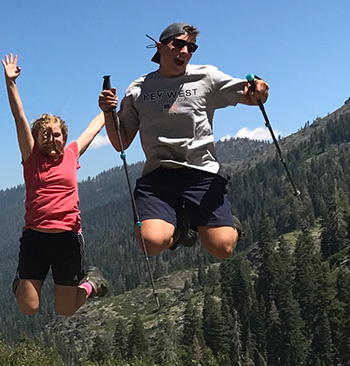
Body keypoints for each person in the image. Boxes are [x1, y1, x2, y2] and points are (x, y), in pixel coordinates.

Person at [98, 22, 270, 260]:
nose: (185, 52)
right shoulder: (138, 88)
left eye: (191, 47)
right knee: (150, 242)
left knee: (222, 248)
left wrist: (260, 89)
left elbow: (252, 96)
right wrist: (108, 113)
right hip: (158, 177)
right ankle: (182, 227)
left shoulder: (206, 77)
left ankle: (228, 225)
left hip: (201, 174)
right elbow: (121, 142)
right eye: (178, 44)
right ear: (159, 47)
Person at [2, 54, 110, 316]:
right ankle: (21, 280)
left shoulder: (73, 153)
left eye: (57, 133)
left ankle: (91, 284)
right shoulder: (31, 157)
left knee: (66, 310)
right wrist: (10, 83)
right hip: (35, 239)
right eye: (45, 133)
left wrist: (109, 108)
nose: (52, 137)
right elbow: (19, 117)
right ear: (36, 138)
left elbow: (94, 128)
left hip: (68, 240)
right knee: (29, 307)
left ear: (65, 136)